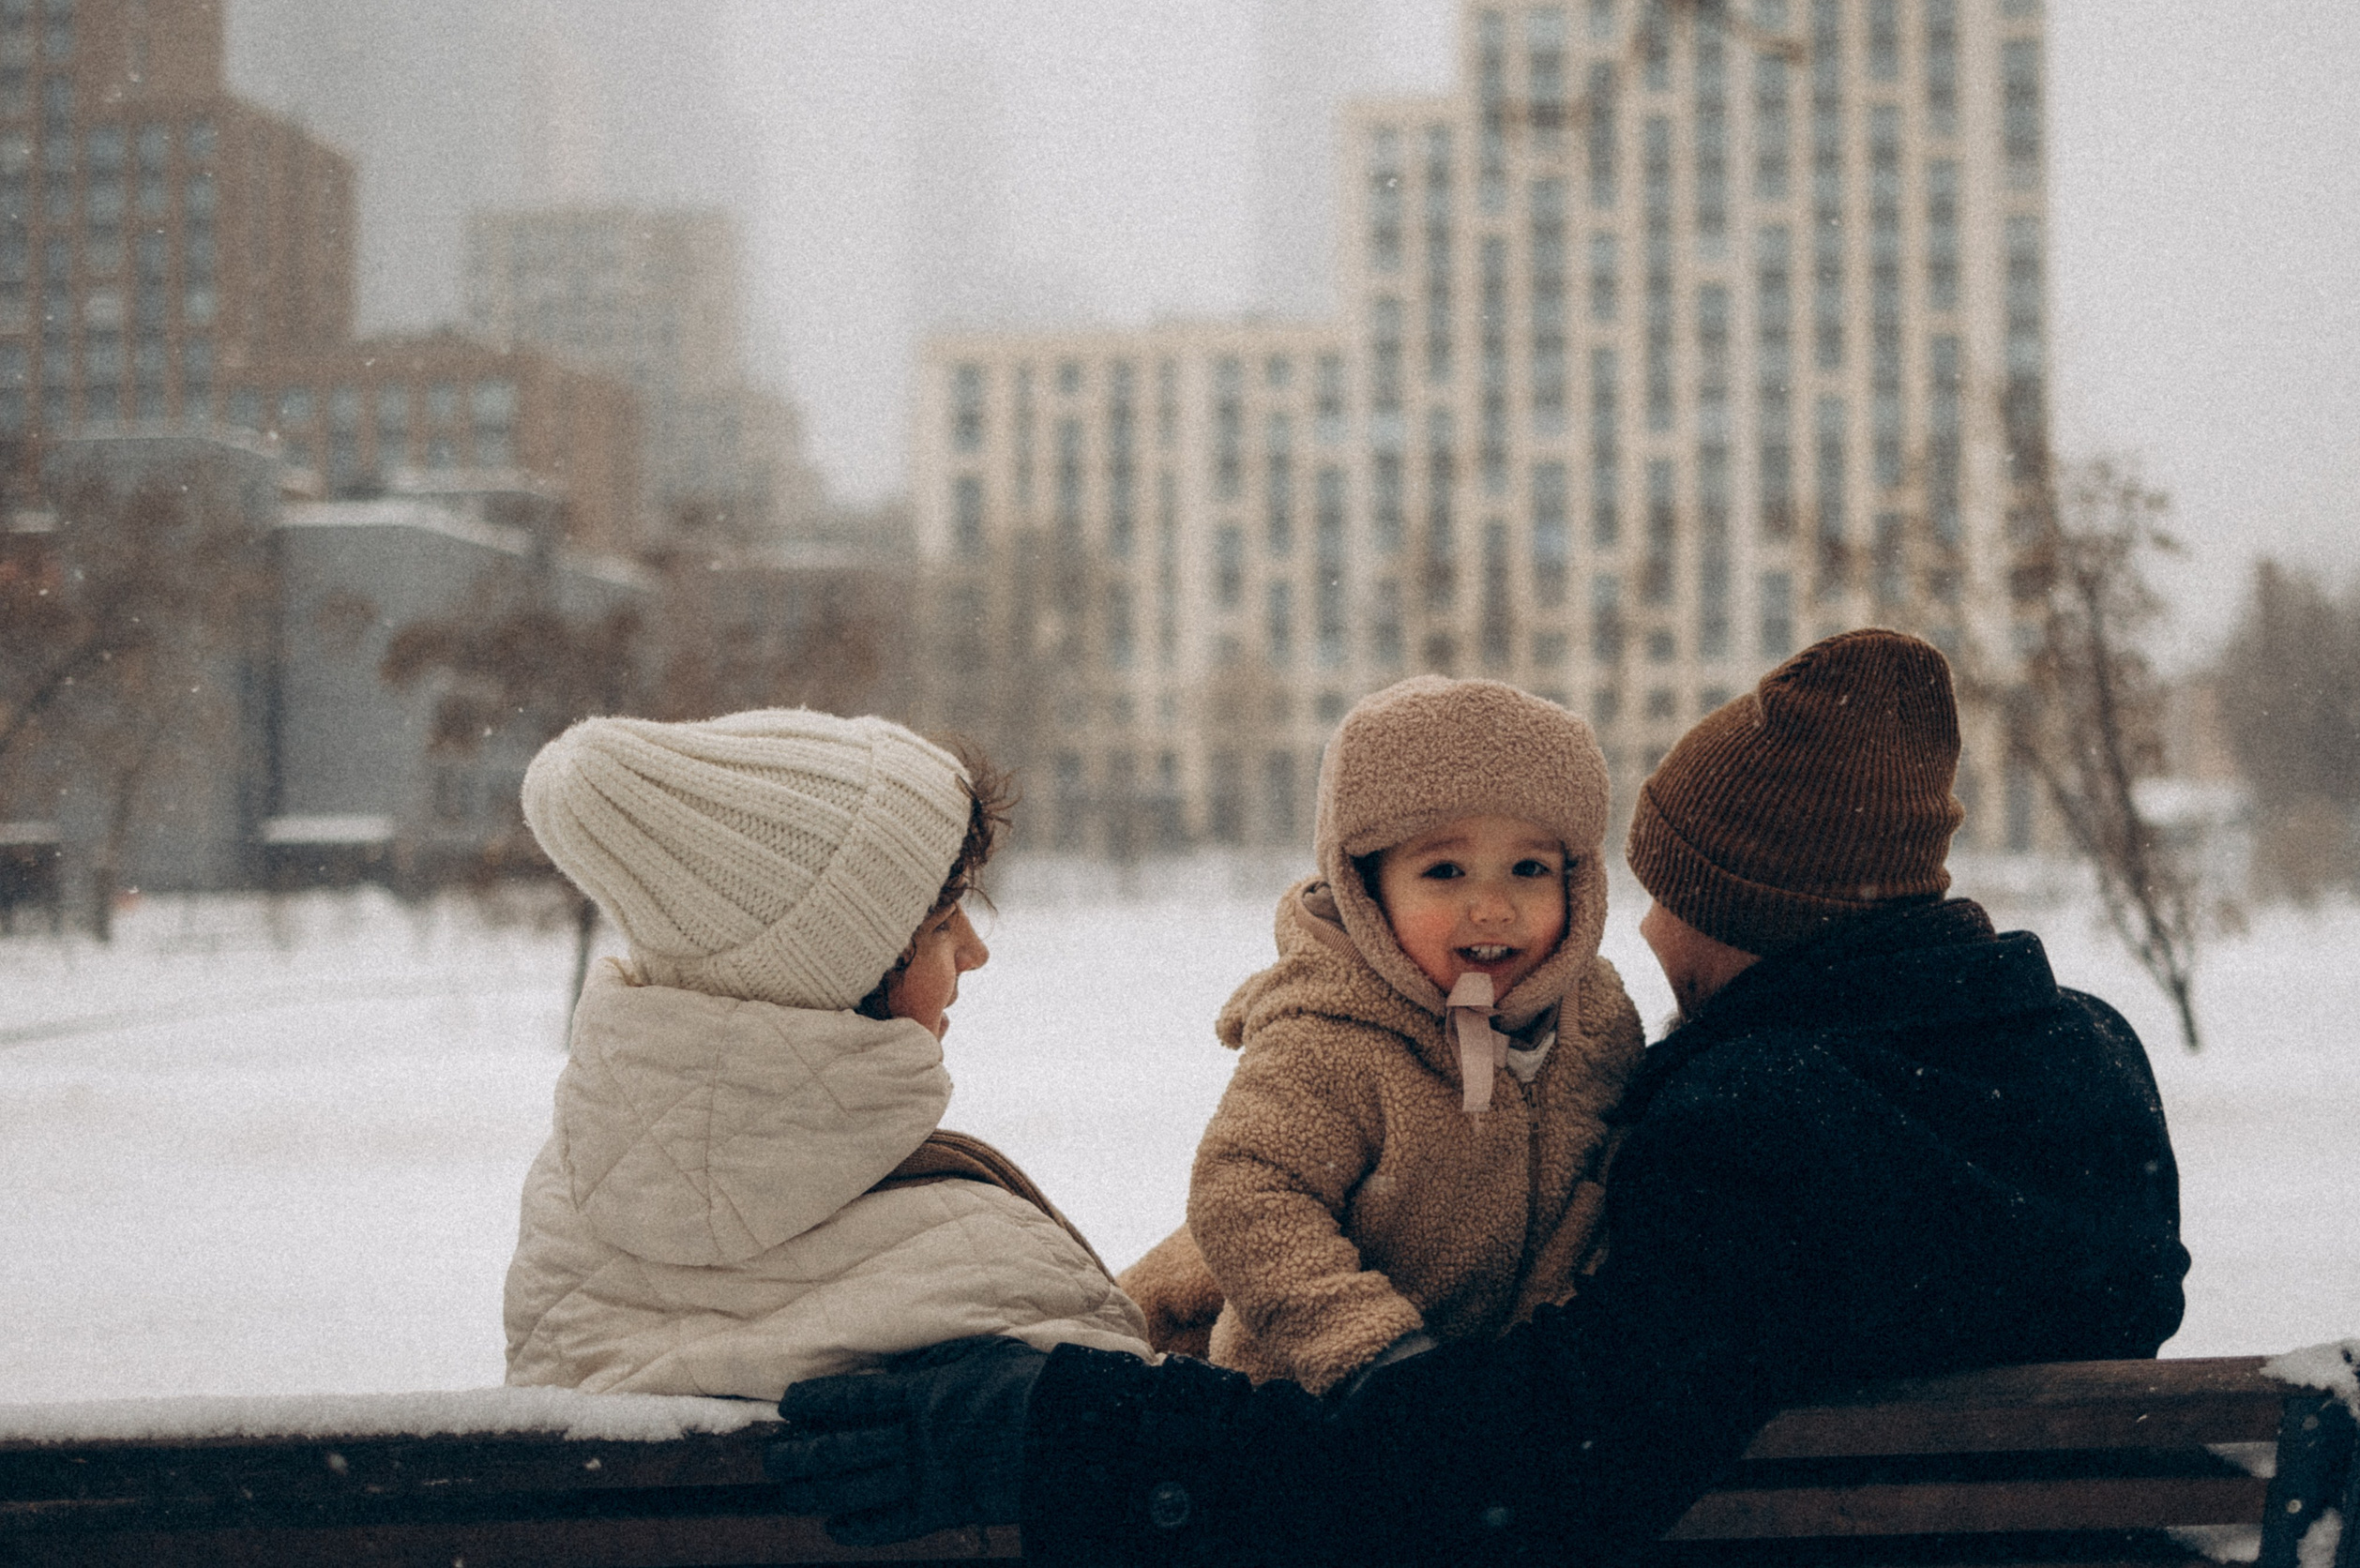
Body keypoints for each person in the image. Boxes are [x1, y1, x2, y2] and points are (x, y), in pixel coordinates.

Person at [768, 629, 2190, 1565]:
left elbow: (1506, 1468)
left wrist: (1060, 1430)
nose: (1640, 934)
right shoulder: (2078, 1069)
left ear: (1745, 908)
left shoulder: (1764, 1130)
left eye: (1666, 892)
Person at [501, 708, 1150, 1402]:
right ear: (837, 979)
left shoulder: (565, 1222)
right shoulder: (988, 1259)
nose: (975, 949)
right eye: (940, 923)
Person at [1122, 677, 1644, 1392]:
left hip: (1518, 1417)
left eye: (1530, 868)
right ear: (1365, 888)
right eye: (1444, 870)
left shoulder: (1597, 1023)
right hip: (1322, 1413)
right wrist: (1376, 1355)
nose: (1492, 907)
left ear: (1579, 881)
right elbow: (1248, 1195)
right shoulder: (1329, 1034)